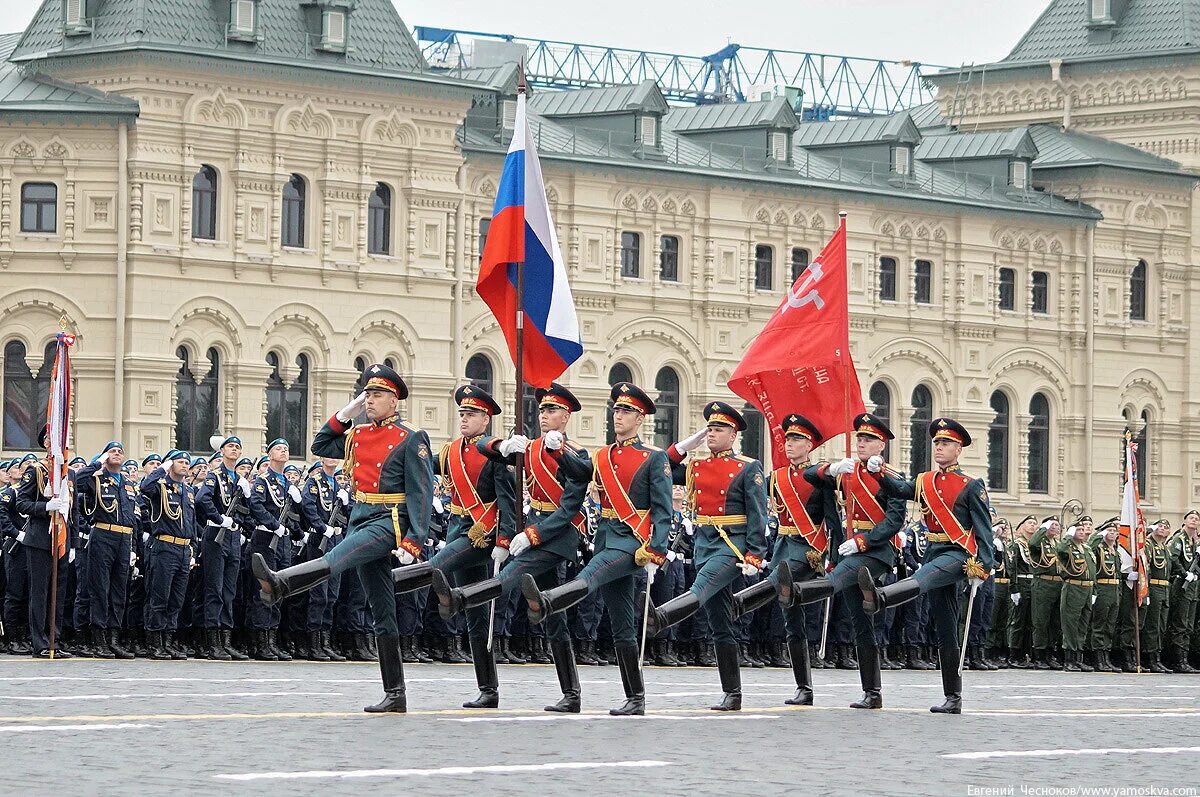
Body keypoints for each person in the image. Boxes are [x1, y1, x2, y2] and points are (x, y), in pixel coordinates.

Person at [253, 363, 433, 713]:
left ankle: (281, 585)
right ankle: (395, 693)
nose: (370, 400)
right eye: (367, 394)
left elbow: (422, 492)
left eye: (377, 395)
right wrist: (345, 414)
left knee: (337, 559)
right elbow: (321, 443)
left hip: (389, 523)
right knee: (382, 610)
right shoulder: (359, 434)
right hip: (361, 517)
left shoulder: (411, 437)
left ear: (394, 401)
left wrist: (415, 539)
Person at [429, 382, 590, 713]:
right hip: (532, 530)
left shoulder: (577, 453)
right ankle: (570, 693)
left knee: (515, 577)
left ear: (567, 416)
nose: (544, 416)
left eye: (552, 411)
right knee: (551, 614)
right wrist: (501, 443)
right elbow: (486, 450)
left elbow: (569, 508)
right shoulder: (528, 449)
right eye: (542, 410)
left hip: (557, 536)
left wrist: (527, 536)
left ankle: (459, 599)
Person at [519, 382, 672, 716]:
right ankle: (636, 698)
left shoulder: (653, 458)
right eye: (616, 410)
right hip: (606, 537)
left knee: (590, 577)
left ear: (640, 418)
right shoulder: (602, 456)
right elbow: (578, 472)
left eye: (627, 411)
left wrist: (657, 550)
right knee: (622, 624)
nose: (619, 416)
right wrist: (557, 452)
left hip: (632, 545)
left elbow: (663, 510)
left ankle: (546, 602)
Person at [390, 384, 515, 708]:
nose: (464, 418)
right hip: (458, 527)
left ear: (485, 420)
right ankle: (489, 690)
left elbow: (508, 501)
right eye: (462, 413)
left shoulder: (493, 454)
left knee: (437, 565)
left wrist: (504, 540)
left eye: (471, 414)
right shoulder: (450, 451)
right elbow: (421, 465)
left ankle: (391, 584)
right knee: (476, 615)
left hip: (480, 536)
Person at [857, 417, 993, 714]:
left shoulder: (972, 486)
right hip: (934, 549)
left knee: (924, 577)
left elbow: (984, 529)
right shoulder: (925, 480)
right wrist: (878, 474)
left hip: (959, 555)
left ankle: (881, 597)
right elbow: (901, 489)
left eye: (946, 443)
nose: (939, 448)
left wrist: (985, 565)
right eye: (936, 443)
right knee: (946, 630)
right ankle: (953, 697)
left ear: (958, 449)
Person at [774, 413, 906, 710]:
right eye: (859, 438)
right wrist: (832, 467)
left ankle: (795, 592)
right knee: (862, 624)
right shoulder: (845, 474)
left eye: (868, 439)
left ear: (881, 444)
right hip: (847, 552)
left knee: (835, 582)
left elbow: (894, 521)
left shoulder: (893, 477)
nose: (861, 443)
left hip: (875, 552)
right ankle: (873, 692)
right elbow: (809, 477)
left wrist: (862, 541)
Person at [643, 400, 768, 711]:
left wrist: (754, 554)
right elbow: (660, 468)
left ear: (733, 434)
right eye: (709, 428)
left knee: (700, 588)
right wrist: (685, 446)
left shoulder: (747, 467)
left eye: (719, 428)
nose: (712, 433)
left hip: (731, 548)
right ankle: (733, 693)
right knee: (720, 622)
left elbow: (758, 514)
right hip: (704, 544)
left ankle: (661, 618)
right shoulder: (696, 467)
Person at [730, 413, 833, 706]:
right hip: (783, 545)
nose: (790, 444)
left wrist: (834, 555)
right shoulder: (777, 477)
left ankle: (740, 602)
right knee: (792, 619)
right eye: (787, 438)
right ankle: (804, 686)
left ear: (810, 444)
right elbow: (761, 512)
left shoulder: (820, 477)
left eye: (797, 439)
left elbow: (833, 520)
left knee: (779, 580)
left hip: (808, 549)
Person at [73, 441, 138, 659]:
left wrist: (133, 547)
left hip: (124, 537)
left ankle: (113, 639)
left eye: (120, 451)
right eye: (112, 451)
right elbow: (77, 481)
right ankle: (98, 639)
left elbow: (133, 518)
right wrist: (97, 463)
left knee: (119, 590)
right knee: (100, 589)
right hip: (102, 534)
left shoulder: (128, 484)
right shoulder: (96, 479)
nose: (117, 454)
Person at [14, 428, 75, 658]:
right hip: (40, 539)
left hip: (61, 540)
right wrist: (45, 507)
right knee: (39, 593)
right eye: (52, 439)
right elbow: (22, 503)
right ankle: (39, 642)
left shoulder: (68, 473)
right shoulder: (36, 471)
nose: (59, 442)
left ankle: (54, 640)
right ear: (45, 443)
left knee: (58, 593)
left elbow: (73, 513)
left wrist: (73, 544)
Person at [194, 436, 250, 661]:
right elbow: (201, 500)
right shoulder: (214, 476)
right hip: (216, 535)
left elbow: (247, 512)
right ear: (223, 451)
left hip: (233, 537)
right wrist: (218, 518)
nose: (234, 450)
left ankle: (226, 641)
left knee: (229, 590)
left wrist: (247, 495)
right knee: (214, 589)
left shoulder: (240, 480)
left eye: (238, 447)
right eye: (231, 446)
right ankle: (212, 642)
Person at [140, 450, 198, 660]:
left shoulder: (188, 491)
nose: (184, 465)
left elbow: (192, 524)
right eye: (180, 462)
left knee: (176, 599)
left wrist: (193, 549)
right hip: (164, 546)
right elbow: (144, 487)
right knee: (160, 597)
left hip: (183, 549)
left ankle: (168, 641)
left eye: (186, 462)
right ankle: (155, 643)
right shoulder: (160, 487)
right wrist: (162, 468)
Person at [246, 438, 295, 661]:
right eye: (278, 448)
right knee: (265, 589)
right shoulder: (262, 481)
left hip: (282, 540)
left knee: (280, 589)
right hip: (265, 538)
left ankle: (272, 640)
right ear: (269, 454)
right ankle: (260, 643)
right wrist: (273, 524)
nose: (283, 451)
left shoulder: (287, 483)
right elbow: (255, 504)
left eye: (286, 449)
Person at [1056, 518, 1097, 672]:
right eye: (1077, 529)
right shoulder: (1068, 547)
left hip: (1087, 589)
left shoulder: (1086, 549)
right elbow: (1060, 551)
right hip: (1073, 587)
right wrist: (1068, 537)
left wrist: (1095, 591)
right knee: (1070, 624)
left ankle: (1079, 657)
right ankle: (1069, 659)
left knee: (1083, 624)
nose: (1081, 532)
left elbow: (1093, 572)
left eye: (1082, 530)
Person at [1166, 510, 1200, 672]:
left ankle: (1185, 659)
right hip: (1182, 584)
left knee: (1189, 625)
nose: (1194, 521)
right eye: (1191, 518)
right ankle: (1177, 660)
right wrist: (1185, 573)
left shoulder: (1194, 542)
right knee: (1180, 623)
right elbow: (1173, 558)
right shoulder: (1179, 539)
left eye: (1196, 519)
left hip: (1192, 587)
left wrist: (1195, 572)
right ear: (1185, 521)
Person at [1028, 516, 1063, 669]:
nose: (1055, 527)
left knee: (1054, 622)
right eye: (1052, 525)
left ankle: (1050, 653)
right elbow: (1032, 543)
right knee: (1041, 621)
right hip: (1043, 582)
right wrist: (1043, 528)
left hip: (1057, 584)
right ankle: (1039, 656)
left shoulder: (1057, 544)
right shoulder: (1040, 542)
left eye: (1057, 525)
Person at [1089, 517, 1122, 672]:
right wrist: (1099, 533)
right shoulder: (1099, 547)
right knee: (1099, 625)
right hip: (1102, 587)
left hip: (1114, 590)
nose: (1112, 533)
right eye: (1109, 530)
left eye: (1114, 531)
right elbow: (1091, 546)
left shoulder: (1115, 551)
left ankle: (1106, 656)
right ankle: (1098, 658)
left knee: (1110, 626)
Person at [1005, 515, 1037, 667]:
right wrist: (1014, 588)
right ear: (1022, 526)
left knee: (1029, 621)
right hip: (1021, 582)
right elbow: (1011, 567)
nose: (1033, 526)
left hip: (1032, 584)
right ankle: (1013, 655)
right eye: (1030, 523)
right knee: (1017, 620)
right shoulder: (1016, 545)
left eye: (1034, 524)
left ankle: (1025, 654)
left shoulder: (1033, 545)